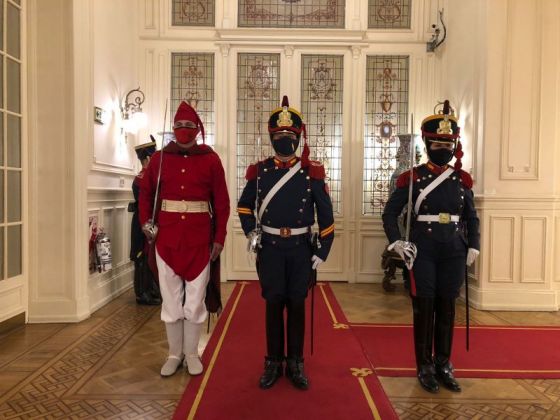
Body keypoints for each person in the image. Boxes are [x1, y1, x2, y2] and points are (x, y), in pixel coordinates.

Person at [382, 100, 480, 393]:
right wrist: (396, 241)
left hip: (453, 248)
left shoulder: (461, 180)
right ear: (426, 143)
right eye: (437, 143)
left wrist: (473, 245)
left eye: (448, 143)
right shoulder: (411, 178)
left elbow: (471, 217)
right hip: (421, 249)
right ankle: (423, 365)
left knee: (447, 307)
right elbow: (389, 213)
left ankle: (443, 363)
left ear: (454, 145)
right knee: (424, 307)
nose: (443, 148)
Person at [237, 96, 335, 390]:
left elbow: (326, 215)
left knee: (296, 305)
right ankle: (272, 361)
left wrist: (323, 250)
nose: (284, 140)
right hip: (269, 248)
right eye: (279, 136)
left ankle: (295, 362)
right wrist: (251, 231)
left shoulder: (311, 172)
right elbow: (244, 206)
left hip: (300, 249)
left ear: (298, 137)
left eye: (289, 136)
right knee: (272, 304)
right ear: (271, 137)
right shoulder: (260, 171)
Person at [139, 101, 230, 377]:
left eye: (189, 126)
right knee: (170, 300)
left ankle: (192, 353)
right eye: (179, 126)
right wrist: (145, 223)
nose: (184, 130)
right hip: (165, 240)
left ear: (198, 129)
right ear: (173, 128)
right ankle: (174, 353)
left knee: (194, 300)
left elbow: (222, 203)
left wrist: (219, 238)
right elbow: (145, 193)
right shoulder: (159, 159)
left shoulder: (211, 159)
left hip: (200, 241)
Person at [129, 140, 162, 306]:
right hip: (142, 221)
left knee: (150, 255)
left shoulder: (148, 176)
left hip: (149, 220)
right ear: (148, 158)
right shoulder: (142, 178)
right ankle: (142, 292)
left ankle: (152, 289)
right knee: (141, 256)